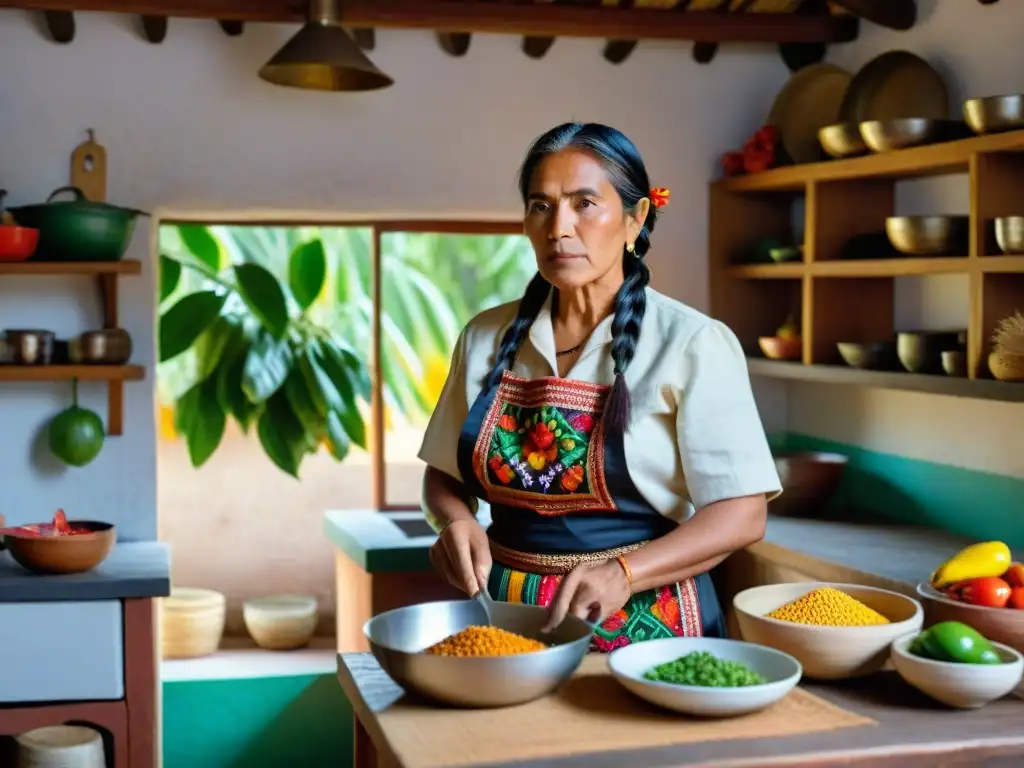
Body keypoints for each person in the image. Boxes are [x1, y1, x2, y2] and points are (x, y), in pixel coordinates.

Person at [419, 122, 782, 650]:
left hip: (650, 625)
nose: (559, 227)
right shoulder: (484, 337)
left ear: (635, 220)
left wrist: (623, 574)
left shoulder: (692, 342)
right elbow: (442, 477)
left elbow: (742, 513)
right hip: (506, 620)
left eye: (584, 203)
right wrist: (453, 521)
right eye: (541, 206)